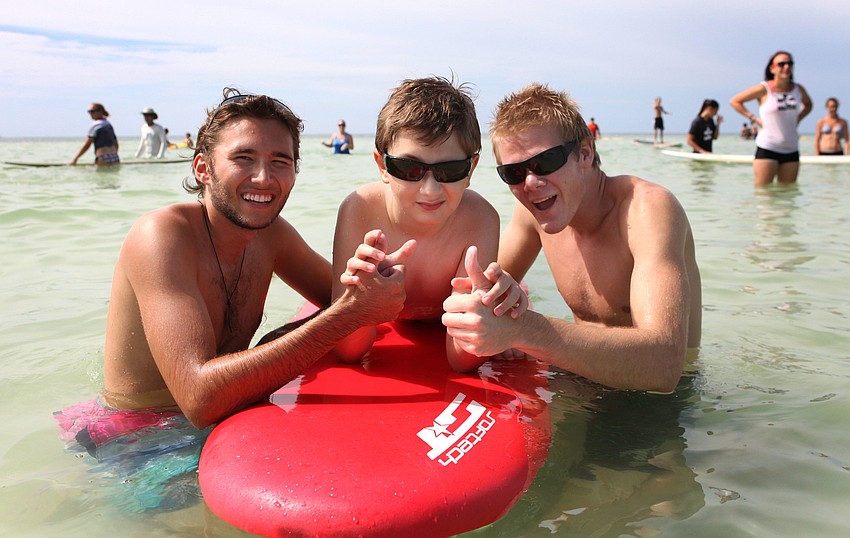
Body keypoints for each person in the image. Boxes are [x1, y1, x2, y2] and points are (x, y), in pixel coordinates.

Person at [94, 88, 406, 428]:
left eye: (280, 162)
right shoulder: (161, 236)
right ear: (203, 168)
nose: (264, 177)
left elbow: (343, 299)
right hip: (135, 442)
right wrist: (349, 315)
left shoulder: (270, 236)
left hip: (226, 426)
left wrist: (378, 279)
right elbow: (200, 400)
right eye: (243, 158)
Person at [441, 83, 702, 393]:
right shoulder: (533, 213)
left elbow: (664, 365)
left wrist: (525, 331)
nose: (531, 183)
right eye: (514, 173)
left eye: (545, 163)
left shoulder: (646, 210)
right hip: (579, 382)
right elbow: (481, 295)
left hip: (658, 403)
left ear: (585, 153)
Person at [331, 76, 524, 371]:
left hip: (444, 321)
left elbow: (461, 361)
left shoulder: (480, 219)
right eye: (409, 168)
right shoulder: (359, 210)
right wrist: (361, 303)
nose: (430, 190)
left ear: (470, 168)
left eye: (450, 170)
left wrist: (487, 322)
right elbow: (349, 351)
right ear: (383, 165)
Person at [730, 50, 812, 186]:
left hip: (791, 148)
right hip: (768, 147)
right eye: (781, 64)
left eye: (790, 63)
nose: (786, 67)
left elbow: (808, 105)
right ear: (772, 68)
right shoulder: (764, 89)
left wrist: (798, 118)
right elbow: (735, 101)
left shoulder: (798, 89)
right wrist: (753, 118)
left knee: (788, 196)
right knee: (764, 195)